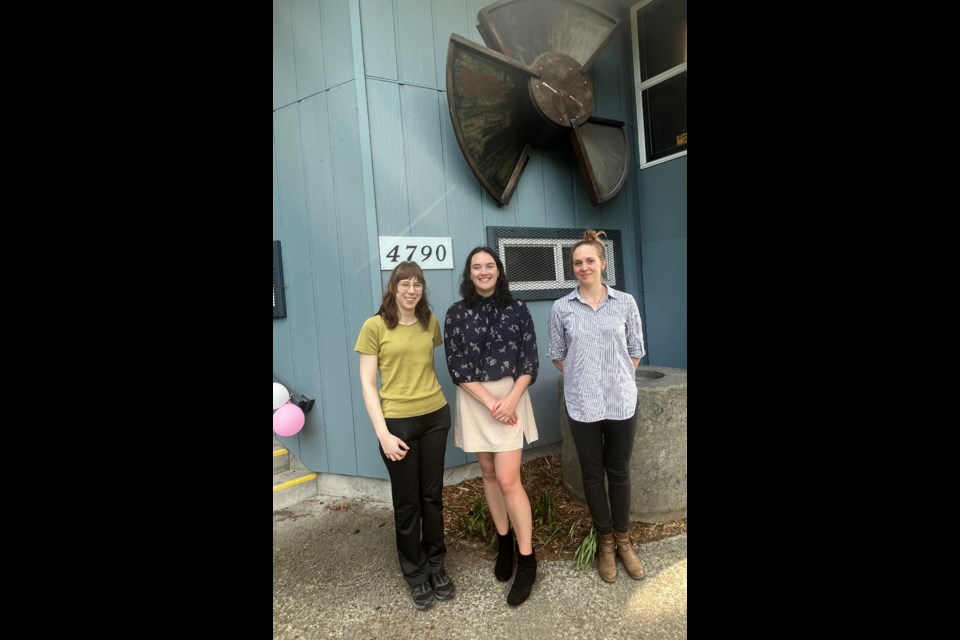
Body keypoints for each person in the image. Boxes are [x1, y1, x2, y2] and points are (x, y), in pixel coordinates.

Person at [547, 229, 647, 584]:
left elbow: (636, 349)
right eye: (577, 262)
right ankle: (605, 542)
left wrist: (615, 375)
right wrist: (583, 377)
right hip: (582, 404)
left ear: (603, 264)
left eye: (590, 260)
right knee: (592, 473)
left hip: (621, 400)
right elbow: (558, 355)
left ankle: (623, 540)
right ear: (572, 268)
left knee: (618, 471)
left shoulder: (625, 303)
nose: (584, 267)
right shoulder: (562, 308)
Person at [354, 261, 454, 611]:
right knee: (408, 503)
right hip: (397, 423)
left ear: (422, 289)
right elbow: (368, 383)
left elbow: (424, 367)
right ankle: (415, 572)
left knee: (432, 497)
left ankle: (437, 566)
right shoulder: (374, 326)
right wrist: (382, 433)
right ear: (393, 288)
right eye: (404, 284)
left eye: (417, 284)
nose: (411, 290)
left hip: (435, 417)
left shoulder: (431, 323)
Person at [443, 247, 539, 606]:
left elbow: (529, 359)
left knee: (509, 478)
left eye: (489, 266)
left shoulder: (517, 309)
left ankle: (527, 559)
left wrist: (511, 400)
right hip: (475, 398)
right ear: (469, 274)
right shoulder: (456, 313)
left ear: (498, 271)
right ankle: (504, 542)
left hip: (511, 397)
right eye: (476, 267)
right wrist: (490, 404)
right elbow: (456, 365)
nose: (483, 271)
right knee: (487, 472)